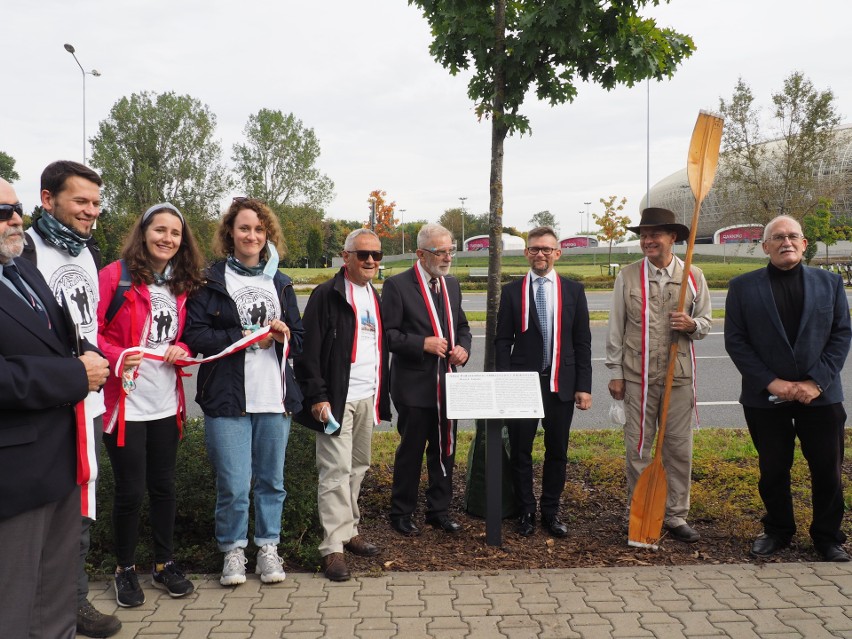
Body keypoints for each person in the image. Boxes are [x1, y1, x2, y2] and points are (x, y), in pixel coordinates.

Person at [0, 177, 110, 638]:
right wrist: (75, 376)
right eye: (2, 212)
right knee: (14, 604)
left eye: (15, 207)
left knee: (54, 600)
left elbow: (61, 337)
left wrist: (96, 356)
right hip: (15, 474)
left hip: (61, 459)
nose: (15, 218)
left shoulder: (21, 269)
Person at [183, 197, 303, 587]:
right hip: (227, 397)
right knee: (234, 485)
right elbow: (196, 335)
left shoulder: (280, 282)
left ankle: (268, 547)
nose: (252, 236)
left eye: (259, 229)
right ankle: (233, 551)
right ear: (230, 234)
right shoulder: (211, 281)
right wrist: (248, 337)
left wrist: (283, 337)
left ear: (267, 235)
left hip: (274, 396)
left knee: (271, 481)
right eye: (244, 228)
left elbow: (299, 339)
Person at [725, 215, 851, 562]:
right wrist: (772, 382)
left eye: (793, 236)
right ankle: (778, 530)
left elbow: (841, 336)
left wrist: (815, 382)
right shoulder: (742, 287)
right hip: (765, 397)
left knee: (827, 469)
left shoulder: (830, 284)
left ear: (804, 243)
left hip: (821, 395)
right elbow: (737, 342)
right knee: (773, 469)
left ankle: (827, 537)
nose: (786, 242)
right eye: (778, 237)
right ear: (765, 246)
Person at [98, 203, 204, 607]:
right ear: (143, 233)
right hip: (124, 405)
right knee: (129, 491)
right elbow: (93, 333)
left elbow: (189, 334)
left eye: (175, 233)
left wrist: (184, 347)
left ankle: (164, 564)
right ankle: (124, 569)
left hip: (164, 402)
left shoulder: (182, 283)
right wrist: (119, 354)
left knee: (163, 487)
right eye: (160, 230)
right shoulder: (116, 276)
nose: (167, 239)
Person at [605, 207, 711, 543]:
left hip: (678, 377)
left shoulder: (694, 276)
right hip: (637, 375)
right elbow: (615, 328)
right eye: (643, 235)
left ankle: (676, 515)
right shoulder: (628, 276)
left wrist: (692, 325)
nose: (648, 241)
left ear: (673, 238)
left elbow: (706, 321)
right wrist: (616, 372)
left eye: (655, 234)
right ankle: (640, 510)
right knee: (639, 447)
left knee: (678, 449)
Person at [294, 228, 391, 581]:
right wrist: (317, 396)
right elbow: (307, 352)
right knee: (334, 471)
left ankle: (349, 531)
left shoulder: (373, 296)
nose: (369, 261)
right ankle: (332, 546)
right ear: (345, 256)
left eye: (375, 255)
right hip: (336, 399)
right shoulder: (326, 295)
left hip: (367, 396)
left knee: (358, 466)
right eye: (362, 254)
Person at [495, 226, 592, 537]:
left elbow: (582, 342)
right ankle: (525, 510)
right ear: (526, 253)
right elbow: (501, 341)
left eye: (546, 249)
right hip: (522, 385)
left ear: (557, 253)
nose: (540, 254)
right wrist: (507, 382)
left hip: (560, 385)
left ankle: (551, 511)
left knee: (557, 451)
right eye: (534, 248)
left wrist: (583, 385)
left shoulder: (573, 291)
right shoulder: (512, 292)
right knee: (521, 451)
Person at [382, 223, 472, 536]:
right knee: (412, 450)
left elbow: (462, 327)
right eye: (440, 251)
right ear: (421, 254)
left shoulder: (452, 285)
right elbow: (389, 335)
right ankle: (401, 512)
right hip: (413, 386)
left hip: (447, 383)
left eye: (451, 250)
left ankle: (439, 510)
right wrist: (422, 344)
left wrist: (463, 349)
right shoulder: (397, 285)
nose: (447, 257)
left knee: (445, 448)